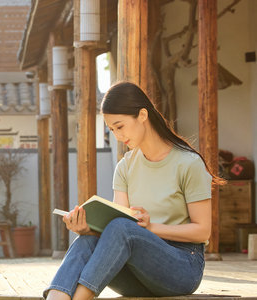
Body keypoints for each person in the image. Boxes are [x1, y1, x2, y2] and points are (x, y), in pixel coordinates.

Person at [44, 81, 224, 300]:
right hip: (137, 274)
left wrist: (151, 228)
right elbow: (115, 230)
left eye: (120, 126)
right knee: (87, 241)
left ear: (142, 115)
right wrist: (87, 229)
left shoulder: (188, 163)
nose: (117, 135)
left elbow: (202, 231)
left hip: (182, 267)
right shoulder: (126, 166)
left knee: (123, 227)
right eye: (112, 130)